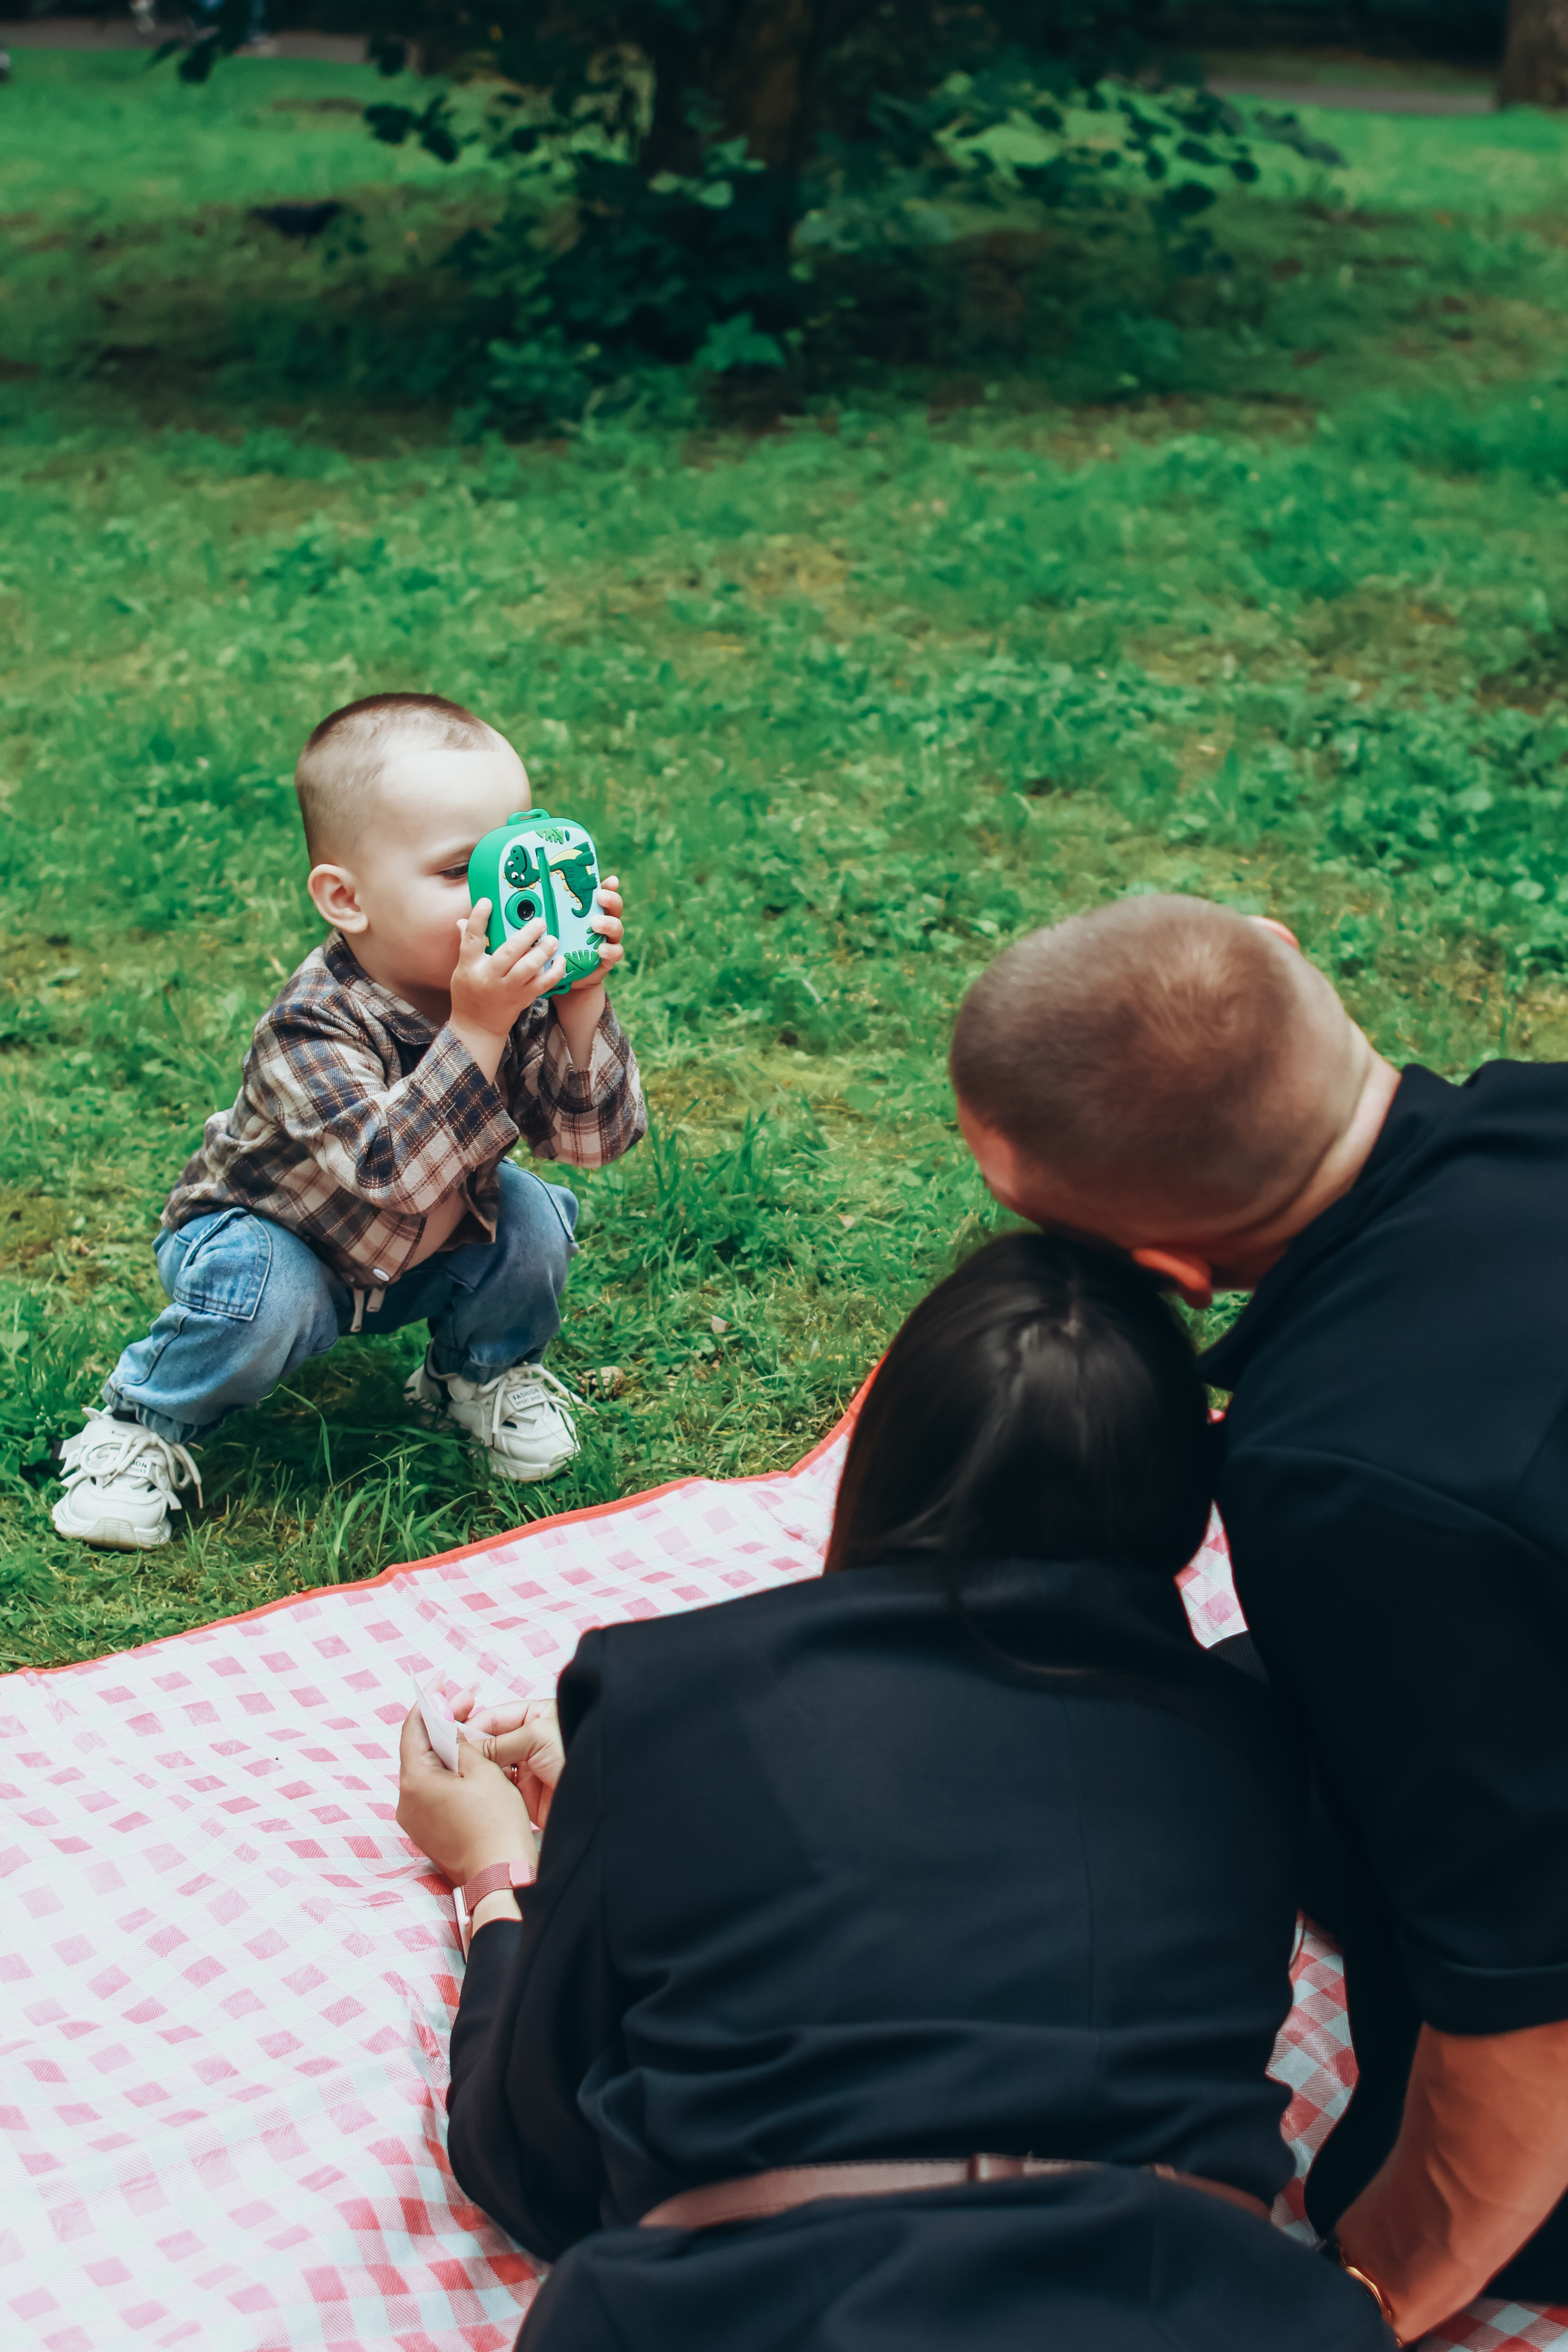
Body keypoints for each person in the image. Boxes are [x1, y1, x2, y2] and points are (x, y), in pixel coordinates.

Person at [396, 1233, 1392, 2351]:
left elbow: (534, 2161)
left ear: (884, 1462)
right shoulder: (1251, 1740)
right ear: (1179, 1507)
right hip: (1197, 2309)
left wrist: (499, 1876)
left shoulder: (662, 1695)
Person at [951, 892, 1568, 2345]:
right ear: (1290, 956)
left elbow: (1527, 1993)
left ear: (1157, 1277)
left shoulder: (1349, 1479)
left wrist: (1368, 2292)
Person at [51, 693, 644, 1550]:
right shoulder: (314, 1023)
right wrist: (477, 1028)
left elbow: (593, 1142)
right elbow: (387, 1171)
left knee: (532, 1222)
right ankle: (142, 1423)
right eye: (458, 874)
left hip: (425, 1243)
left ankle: (472, 1377)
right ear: (347, 899)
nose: (503, 898)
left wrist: (582, 1002)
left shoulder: (510, 994)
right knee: (266, 1298)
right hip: (275, 1243)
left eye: (511, 859)